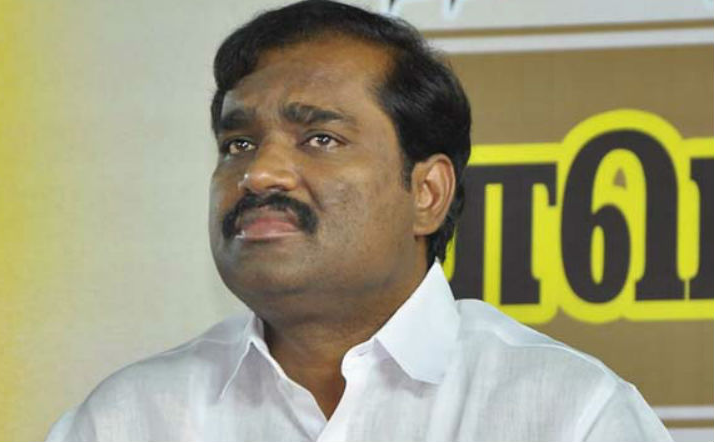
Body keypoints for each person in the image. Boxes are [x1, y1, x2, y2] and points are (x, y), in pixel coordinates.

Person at [45, 1, 672, 441]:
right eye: (238, 144)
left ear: (427, 192)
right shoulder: (129, 419)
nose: (259, 174)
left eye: (319, 138)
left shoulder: (568, 415)